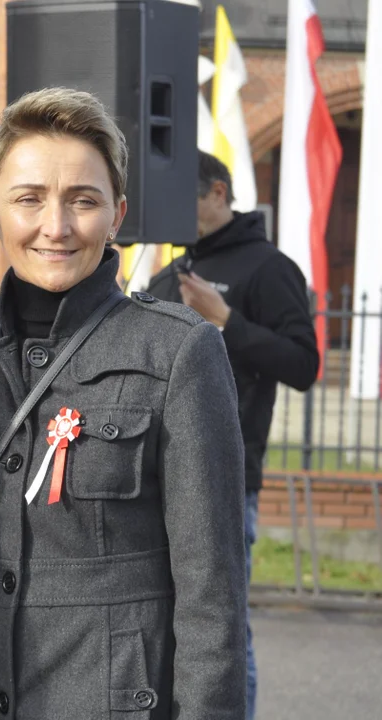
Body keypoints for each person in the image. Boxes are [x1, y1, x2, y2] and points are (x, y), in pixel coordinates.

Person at [0, 88, 247, 719]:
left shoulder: (177, 353)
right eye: (28, 199)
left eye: (83, 201)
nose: (55, 227)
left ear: (117, 215)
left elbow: (212, 595)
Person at [146, 150, 319, 720]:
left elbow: (303, 364)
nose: (179, 214)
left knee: (221, 630)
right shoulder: (170, 270)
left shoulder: (270, 268)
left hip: (226, 476)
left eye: (188, 200)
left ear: (218, 192)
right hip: (152, 477)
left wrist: (227, 320)